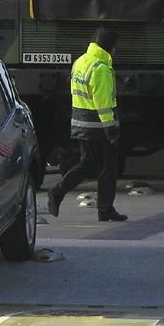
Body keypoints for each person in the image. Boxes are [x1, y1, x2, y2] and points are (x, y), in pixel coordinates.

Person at [46, 27, 127, 223]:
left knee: (87, 165)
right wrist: (111, 129)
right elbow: (103, 103)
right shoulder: (100, 68)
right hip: (98, 127)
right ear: (110, 47)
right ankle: (105, 209)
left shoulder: (80, 62)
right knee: (108, 169)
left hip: (81, 124)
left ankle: (58, 192)